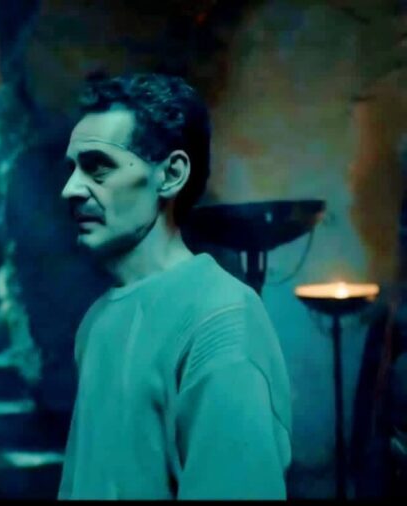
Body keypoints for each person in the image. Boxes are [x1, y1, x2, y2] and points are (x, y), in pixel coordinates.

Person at [57, 73, 292, 499]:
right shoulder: (98, 321)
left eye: (97, 167)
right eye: (72, 168)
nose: (70, 189)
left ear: (170, 174)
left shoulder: (221, 320)